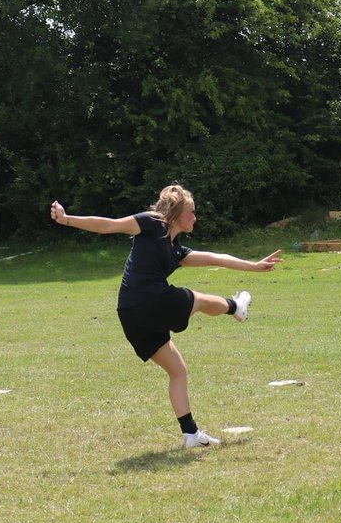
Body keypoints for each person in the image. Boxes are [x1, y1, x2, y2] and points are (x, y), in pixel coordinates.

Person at [50, 184, 281, 449]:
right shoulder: (151, 224)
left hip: (131, 316)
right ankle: (235, 307)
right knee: (199, 299)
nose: (195, 217)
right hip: (149, 301)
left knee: (178, 370)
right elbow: (108, 225)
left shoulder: (177, 251)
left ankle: (191, 434)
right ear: (178, 213)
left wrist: (254, 266)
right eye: (191, 212)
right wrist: (66, 219)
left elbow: (214, 258)